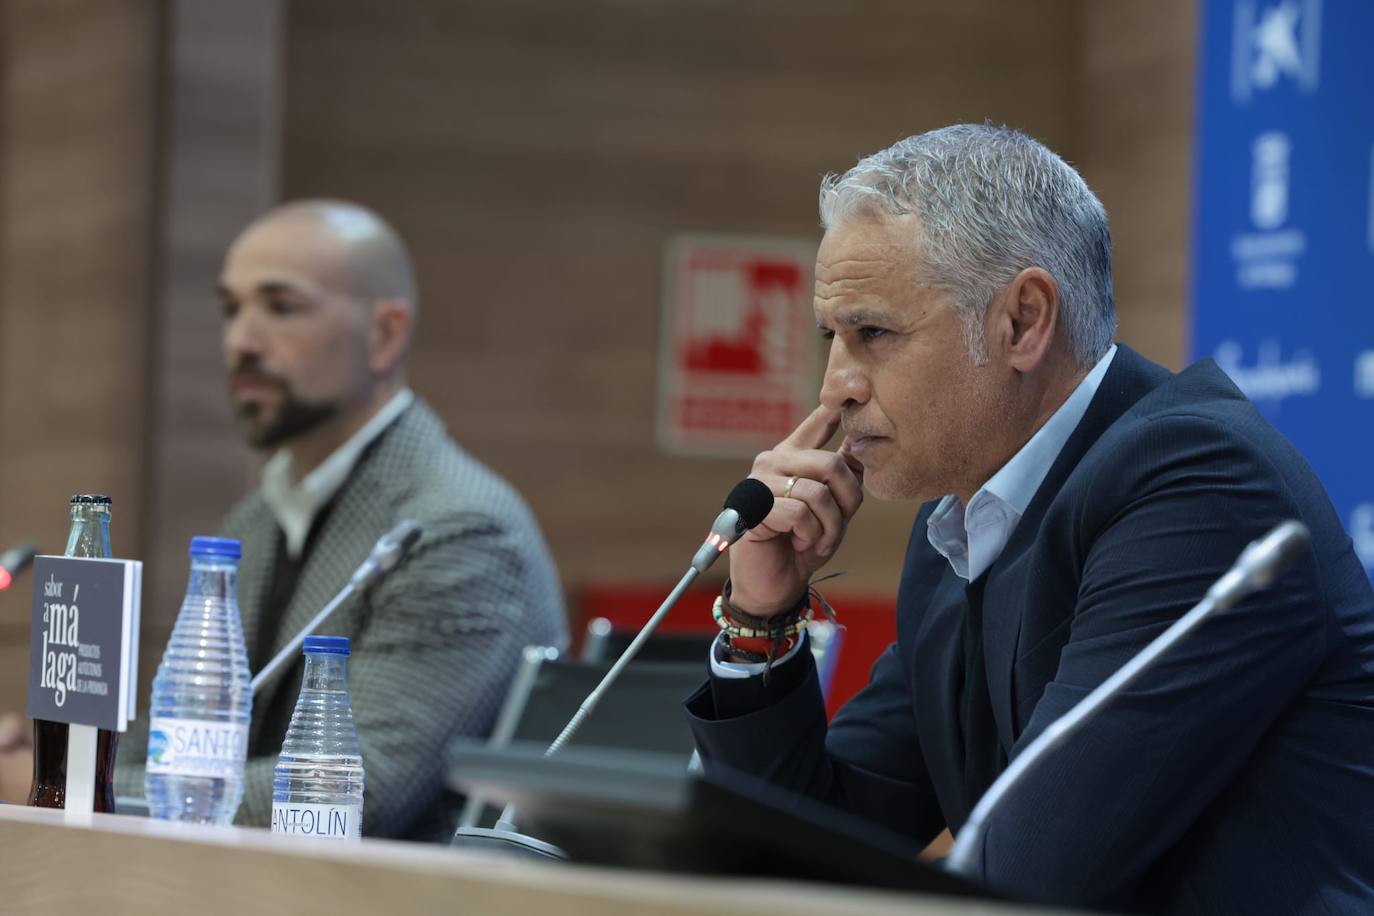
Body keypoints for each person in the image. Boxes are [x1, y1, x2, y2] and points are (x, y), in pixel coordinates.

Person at [686, 125, 1374, 914]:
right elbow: (807, 842)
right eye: (830, 338)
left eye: (872, 334)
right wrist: (760, 616)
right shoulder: (964, 517)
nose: (835, 387)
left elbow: (1035, 877)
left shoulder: (1198, 484)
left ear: (1022, 321)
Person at [82, 199, 559, 840]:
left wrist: (75, 784)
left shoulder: (458, 528)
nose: (241, 341)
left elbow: (354, 796)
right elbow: (166, 746)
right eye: (231, 309)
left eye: (280, 307)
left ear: (384, 334)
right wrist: (60, 763)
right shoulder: (250, 523)